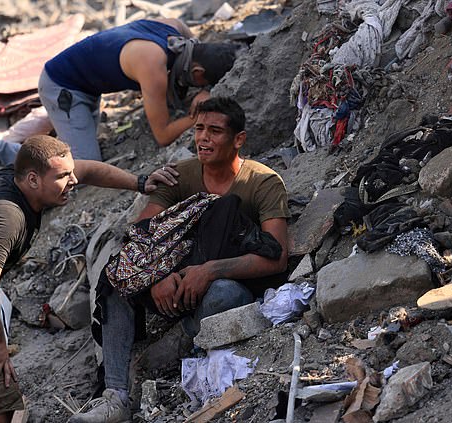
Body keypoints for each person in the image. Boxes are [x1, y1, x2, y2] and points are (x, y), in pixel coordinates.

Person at [0, 135, 175, 423]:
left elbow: (87, 170)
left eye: (70, 171)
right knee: (0, 400)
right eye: (63, 176)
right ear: (33, 179)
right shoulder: (7, 217)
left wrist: (140, 182)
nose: (73, 180)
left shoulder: (26, 179)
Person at [68, 97, 290, 423]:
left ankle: (180, 340)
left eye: (215, 131)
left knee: (224, 294)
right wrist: (156, 277)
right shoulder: (179, 175)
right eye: (199, 128)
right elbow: (141, 236)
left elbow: (278, 258)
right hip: (174, 276)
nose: (203, 138)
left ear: (238, 139)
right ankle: (115, 396)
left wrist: (210, 271)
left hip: (224, 279)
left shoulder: (263, 182)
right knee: (116, 278)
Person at [0, 17, 239, 190]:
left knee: (73, 143)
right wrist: (196, 115)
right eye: (200, 83)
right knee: (78, 167)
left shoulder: (175, 28)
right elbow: (163, 135)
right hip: (63, 87)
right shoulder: (152, 67)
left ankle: (60, 129)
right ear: (198, 73)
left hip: (85, 81)